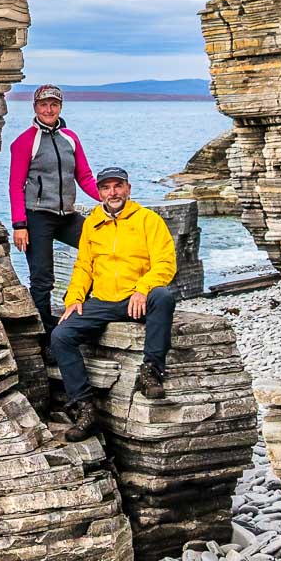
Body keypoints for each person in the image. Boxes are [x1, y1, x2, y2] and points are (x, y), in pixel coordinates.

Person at [48, 166, 177, 441]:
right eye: (106, 188)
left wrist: (143, 289)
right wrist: (74, 298)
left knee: (163, 297)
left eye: (118, 186)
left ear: (128, 189)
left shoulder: (148, 220)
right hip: (104, 300)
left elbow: (166, 264)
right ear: (99, 193)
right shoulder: (92, 224)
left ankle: (152, 370)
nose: (113, 192)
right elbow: (84, 266)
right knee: (61, 335)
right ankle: (84, 407)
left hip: (137, 297)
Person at [7, 84, 100, 333]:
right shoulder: (25, 142)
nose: (49, 109)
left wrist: (108, 196)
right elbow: (15, 186)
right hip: (37, 217)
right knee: (42, 277)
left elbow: (85, 176)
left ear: (60, 107)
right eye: (43, 104)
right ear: (35, 107)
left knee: (100, 245)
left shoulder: (70, 138)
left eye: (54, 104)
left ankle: (80, 299)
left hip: (66, 215)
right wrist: (19, 225)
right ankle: (46, 331)